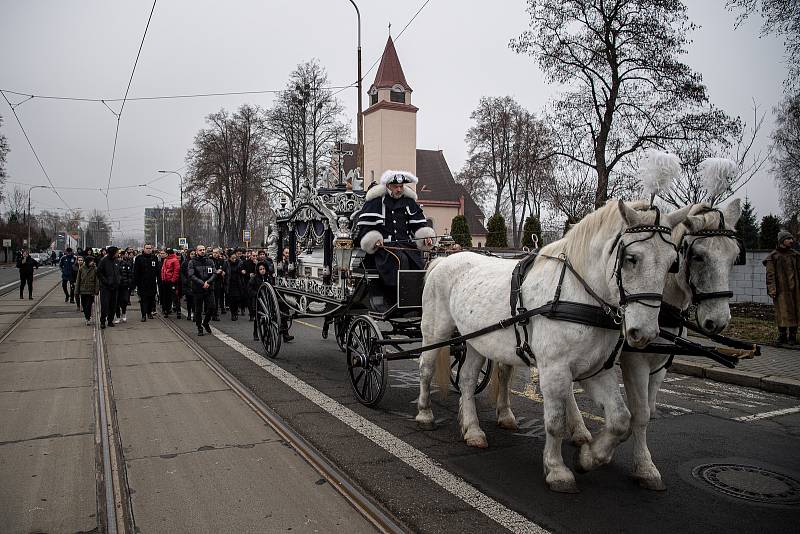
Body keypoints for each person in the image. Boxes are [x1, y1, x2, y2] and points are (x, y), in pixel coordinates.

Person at [355, 170, 435, 299]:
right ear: (387, 186)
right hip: (383, 249)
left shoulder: (409, 202)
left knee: (419, 263)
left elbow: (418, 225)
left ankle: (415, 299)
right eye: (395, 187)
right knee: (400, 260)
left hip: (406, 246)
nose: (399, 189)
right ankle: (397, 298)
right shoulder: (375, 202)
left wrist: (426, 237)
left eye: (401, 186)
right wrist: (374, 240)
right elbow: (365, 228)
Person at [764, 230, 800, 345]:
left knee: (795, 311)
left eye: (791, 239)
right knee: (782, 312)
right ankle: (782, 335)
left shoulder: (795, 255)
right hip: (781, 290)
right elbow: (770, 275)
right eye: (788, 238)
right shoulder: (773, 256)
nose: (791, 241)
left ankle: (792, 336)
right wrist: (772, 289)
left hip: (795, 290)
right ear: (782, 241)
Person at [188, 244, 218, 336]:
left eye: (204, 249)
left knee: (212, 307)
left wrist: (208, 282)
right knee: (198, 309)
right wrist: (202, 283)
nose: (202, 251)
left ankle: (205, 322)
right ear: (197, 251)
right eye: (200, 250)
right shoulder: (192, 262)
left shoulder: (210, 261)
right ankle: (199, 327)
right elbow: (191, 275)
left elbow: (214, 273)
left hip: (209, 288)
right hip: (198, 289)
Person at [134, 243, 160, 321]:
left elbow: (157, 270)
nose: (148, 250)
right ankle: (143, 315)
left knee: (151, 299)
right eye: (147, 248)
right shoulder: (139, 258)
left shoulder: (154, 258)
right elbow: (136, 271)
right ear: (144, 249)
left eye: (150, 248)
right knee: (143, 300)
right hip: (142, 283)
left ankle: (149, 312)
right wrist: (136, 283)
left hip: (152, 283)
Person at [96, 246, 121, 329]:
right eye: (117, 252)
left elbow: (119, 272)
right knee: (105, 305)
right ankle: (102, 321)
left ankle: (110, 321)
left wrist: (118, 280)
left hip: (115, 287)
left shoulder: (117, 261)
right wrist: (105, 281)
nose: (118, 254)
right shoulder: (103, 261)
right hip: (106, 287)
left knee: (113, 305)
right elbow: (99, 272)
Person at [75, 255, 99, 325]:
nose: (92, 262)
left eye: (93, 261)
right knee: (84, 305)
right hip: (83, 290)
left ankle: (88, 318)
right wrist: (77, 291)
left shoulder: (95, 269)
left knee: (89, 305)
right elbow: (78, 280)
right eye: (91, 261)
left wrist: (96, 290)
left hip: (91, 290)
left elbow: (97, 281)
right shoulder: (81, 269)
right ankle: (87, 317)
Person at [248, 262, 269, 340]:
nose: (262, 270)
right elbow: (249, 289)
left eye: (263, 269)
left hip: (267, 300)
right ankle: (255, 333)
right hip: (258, 300)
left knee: (267, 317)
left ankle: (266, 333)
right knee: (257, 318)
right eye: (260, 269)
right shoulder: (254, 278)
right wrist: (257, 294)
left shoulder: (268, 278)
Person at [224, 251, 246, 321]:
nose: (234, 259)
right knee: (231, 300)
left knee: (237, 299)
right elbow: (224, 270)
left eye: (235, 258)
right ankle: (233, 313)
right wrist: (223, 272)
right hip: (229, 283)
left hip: (237, 283)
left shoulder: (240, 262)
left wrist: (243, 272)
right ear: (229, 258)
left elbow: (243, 270)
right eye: (232, 258)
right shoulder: (226, 263)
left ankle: (236, 311)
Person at [160, 248, 181, 318]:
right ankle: (166, 310)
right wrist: (163, 278)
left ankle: (178, 311)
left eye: (165, 253)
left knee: (174, 296)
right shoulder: (166, 260)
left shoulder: (175, 260)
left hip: (171, 281)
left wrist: (173, 280)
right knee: (166, 296)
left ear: (168, 254)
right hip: (165, 281)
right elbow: (163, 270)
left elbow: (176, 271)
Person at [115, 250, 134, 323]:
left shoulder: (126, 264)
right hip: (116, 286)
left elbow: (129, 274)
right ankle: (118, 316)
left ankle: (124, 313)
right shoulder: (114, 264)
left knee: (124, 301)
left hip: (124, 285)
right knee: (116, 302)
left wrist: (129, 283)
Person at [180, 250, 195, 321]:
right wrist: (185, 280)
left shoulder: (197, 262)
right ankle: (189, 313)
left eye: (194, 254)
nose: (193, 255)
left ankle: (195, 313)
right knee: (189, 300)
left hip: (196, 284)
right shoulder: (185, 263)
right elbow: (182, 273)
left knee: (195, 300)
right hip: (188, 284)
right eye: (191, 254)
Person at [212, 248, 226, 319]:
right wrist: (216, 271)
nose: (215, 254)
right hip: (211, 281)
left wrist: (223, 272)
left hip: (218, 281)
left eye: (216, 253)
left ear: (219, 253)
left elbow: (225, 268)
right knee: (212, 298)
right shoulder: (210, 260)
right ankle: (212, 312)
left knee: (217, 298)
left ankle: (215, 313)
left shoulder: (222, 261)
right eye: (214, 252)